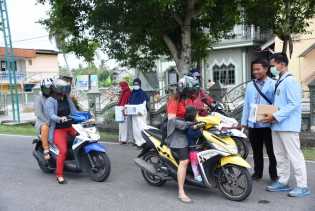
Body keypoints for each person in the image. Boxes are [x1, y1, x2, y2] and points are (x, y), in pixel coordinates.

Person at [264, 53, 311, 197]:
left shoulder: (290, 81)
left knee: (294, 155)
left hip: (288, 125)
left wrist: (276, 116)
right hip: (277, 125)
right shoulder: (279, 81)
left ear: (282, 64)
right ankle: (283, 181)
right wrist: (272, 115)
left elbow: (293, 104)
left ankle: (302, 186)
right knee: (280, 155)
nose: (272, 68)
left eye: (273, 65)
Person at [241, 58, 278, 181]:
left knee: (272, 151)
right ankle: (257, 173)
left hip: (268, 124)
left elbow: (277, 103)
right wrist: (244, 122)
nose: (255, 72)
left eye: (258, 69)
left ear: (266, 69)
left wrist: (275, 116)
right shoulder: (250, 85)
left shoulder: (273, 84)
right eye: (253, 69)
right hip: (253, 124)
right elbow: (246, 104)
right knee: (256, 151)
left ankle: (274, 174)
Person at [166, 76, 194, 203]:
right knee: (184, 161)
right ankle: (181, 192)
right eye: (189, 90)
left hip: (187, 130)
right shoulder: (174, 100)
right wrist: (186, 124)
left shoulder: (187, 99)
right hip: (177, 133)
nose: (191, 93)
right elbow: (171, 120)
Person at [46, 79, 79, 184]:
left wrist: (86, 115)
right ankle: (59, 175)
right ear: (57, 89)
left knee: (83, 140)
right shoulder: (50, 101)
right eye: (63, 89)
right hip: (58, 129)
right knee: (63, 151)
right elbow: (51, 115)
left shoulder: (67, 98)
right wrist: (60, 119)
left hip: (70, 127)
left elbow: (74, 111)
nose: (65, 91)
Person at [34, 78, 54, 160]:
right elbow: (38, 113)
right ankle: (46, 149)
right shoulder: (39, 98)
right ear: (42, 89)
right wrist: (47, 121)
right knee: (45, 127)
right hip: (42, 121)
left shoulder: (54, 97)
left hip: (54, 120)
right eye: (46, 89)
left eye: (49, 88)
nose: (48, 91)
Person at [128, 78, 149, 147]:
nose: (135, 85)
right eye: (134, 84)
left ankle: (143, 142)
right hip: (134, 113)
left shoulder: (142, 93)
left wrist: (141, 111)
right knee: (135, 128)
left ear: (140, 85)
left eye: (137, 84)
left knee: (141, 127)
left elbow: (144, 103)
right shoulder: (132, 93)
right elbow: (130, 102)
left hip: (141, 113)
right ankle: (137, 142)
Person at [185, 106, 203, 183]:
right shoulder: (189, 127)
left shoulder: (192, 124)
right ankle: (196, 176)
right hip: (193, 150)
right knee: (194, 164)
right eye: (196, 114)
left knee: (196, 163)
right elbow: (193, 135)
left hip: (196, 148)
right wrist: (200, 132)